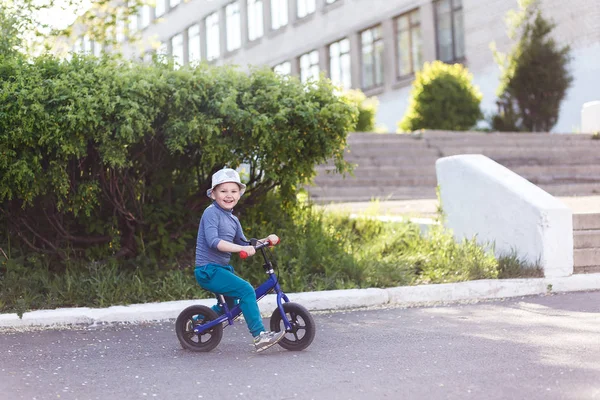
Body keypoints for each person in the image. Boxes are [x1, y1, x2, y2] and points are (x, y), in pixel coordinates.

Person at [194, 168, 285, 353]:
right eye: (223, 191)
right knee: (246, 290)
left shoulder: (233, 220)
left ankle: (197, 321)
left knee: (230, 305)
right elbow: (214, 242)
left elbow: (244, 243)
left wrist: (266, 240)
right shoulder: (210, 213)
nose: (229, 195)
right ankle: (260, 336)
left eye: (233, 191)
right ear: (213, 194)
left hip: (222, 269)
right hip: (208, 271)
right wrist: (242, 249)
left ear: (239, 194)